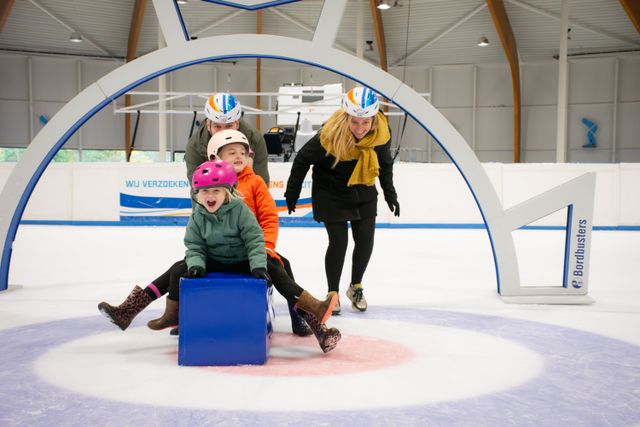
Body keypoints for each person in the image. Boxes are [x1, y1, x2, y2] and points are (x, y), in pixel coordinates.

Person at [98, 160, 341, 353]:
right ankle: (139, 312)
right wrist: (195, 265)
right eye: (204, 192)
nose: (210, 196)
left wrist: (258, 266)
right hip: (215, 260)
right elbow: (194, 245)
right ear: (197, 194)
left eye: (216, 190)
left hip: (243, 260)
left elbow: (255, 239)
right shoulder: (198, 215)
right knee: (177, 267)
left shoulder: (241, 210)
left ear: (228, 192)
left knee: (277, 267)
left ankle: (314, 310)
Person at [284, 87, 400, 314]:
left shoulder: (380, 134)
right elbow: (302, 160)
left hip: (363, 187)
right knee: (339, 242)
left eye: (365, 123)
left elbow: (385, 164)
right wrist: (292, 192)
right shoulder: (330, 135)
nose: (360, 129)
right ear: (346, 117)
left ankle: (355, 286)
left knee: (365, 239)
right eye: (355, 122)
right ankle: (332, 293)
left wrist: (390, 193)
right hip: (331, 191)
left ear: (373, 119)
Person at [185, 92, 270, 186]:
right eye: (217, 126)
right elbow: (197, 188)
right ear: (208, 125)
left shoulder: (255, 140)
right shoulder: (195, 146)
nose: (223, 132)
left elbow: (262, 184)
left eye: (229, 126)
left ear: (237, 124)